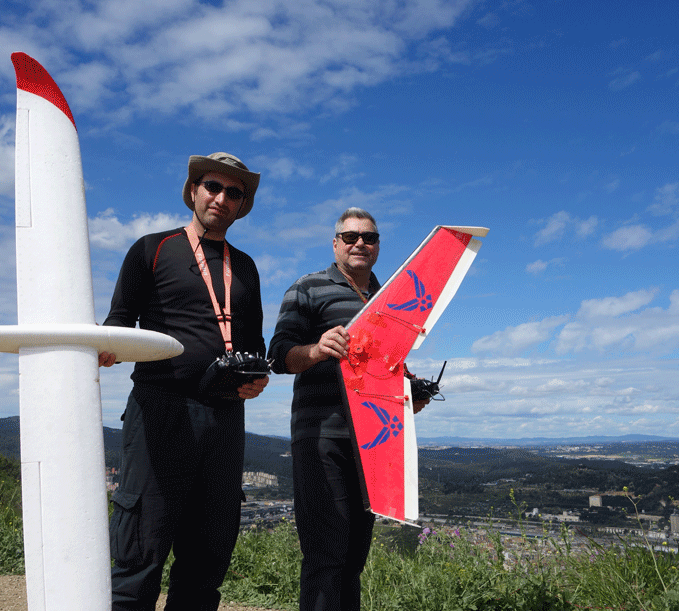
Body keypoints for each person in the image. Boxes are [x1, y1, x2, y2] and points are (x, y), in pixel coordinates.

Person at [98, 152, 269, 611]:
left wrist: (257, 379)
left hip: (225, 418)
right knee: (140, 551)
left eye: (234, 193)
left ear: (241, 204)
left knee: (207, 559)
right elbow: (118, 322)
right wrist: (106, 347)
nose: (222, 198)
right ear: (193, 190)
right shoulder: (152, 248)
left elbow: (254, 344)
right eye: (213, 186)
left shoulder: (246, 266)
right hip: (160, 411)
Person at [268, 208, 430, 611]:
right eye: (351, 236)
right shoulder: (307, 287)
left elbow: (386, 366)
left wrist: (407, 395)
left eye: (369, 237)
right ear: (335, 243)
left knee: (355, 555)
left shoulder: (391, 297)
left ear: (378, 246)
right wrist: (316, 349)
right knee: (326, 554)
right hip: (322, 436)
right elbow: (278, 354)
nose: (360, 243)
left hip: (374, 439)